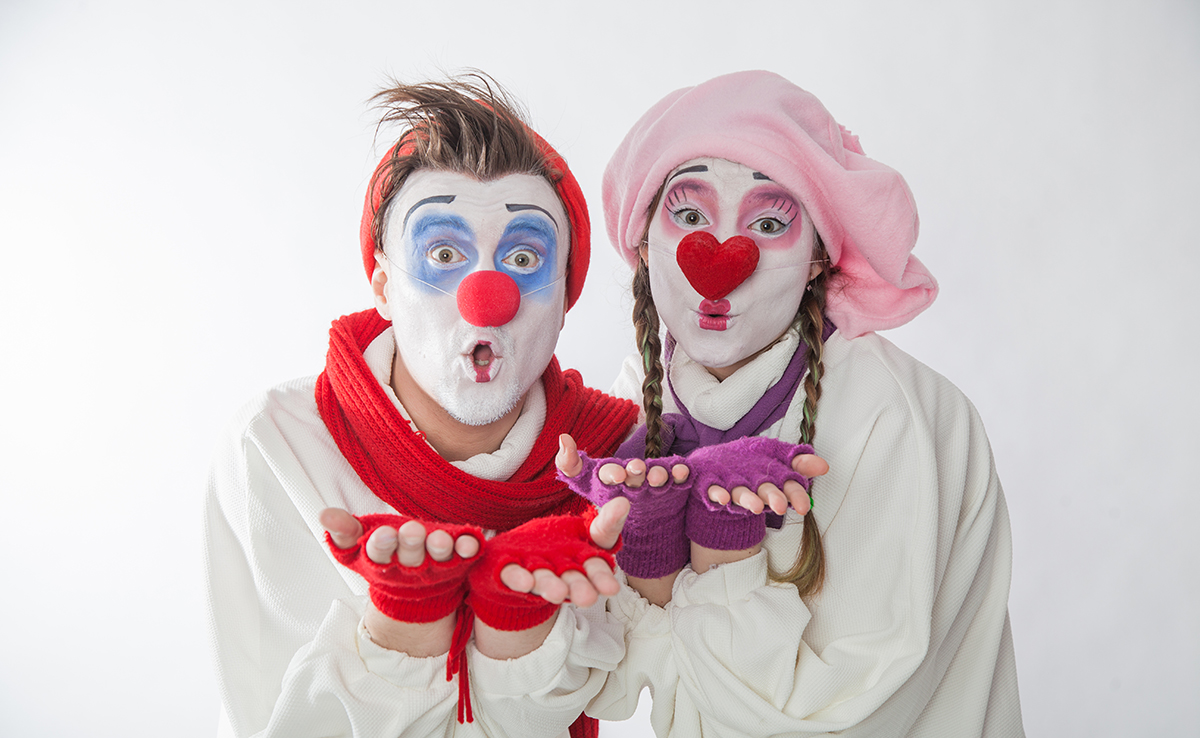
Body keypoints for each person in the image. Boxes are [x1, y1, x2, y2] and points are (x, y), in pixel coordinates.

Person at [558, 70, 1024, 736]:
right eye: (688, 215)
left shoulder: (895, 418)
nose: (716, 257)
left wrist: (724, 552)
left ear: (816, 258)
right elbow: (618, 683)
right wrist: (648, 551)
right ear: (641, 243)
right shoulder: (645, 400)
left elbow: (842, 714)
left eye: (770, 221)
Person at [203, 76, 648, 738]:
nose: (486, 295)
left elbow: (634, 693)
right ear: (383, 286)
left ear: (563, 302)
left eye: (524, 256)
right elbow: (270, 719)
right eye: (443, 253)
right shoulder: (276, 445)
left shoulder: (611, 465)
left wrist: (515, 627)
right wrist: (402, 625)